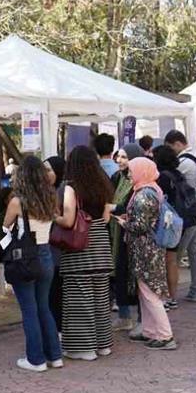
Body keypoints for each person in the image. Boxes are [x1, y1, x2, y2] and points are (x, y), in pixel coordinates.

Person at [2, 155, 63, 371]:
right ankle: (55, 355)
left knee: (29, 309)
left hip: (26, 256)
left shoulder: (18, 201)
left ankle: (35, 359)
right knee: (43, 307)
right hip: (46, 255)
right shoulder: (51, 197)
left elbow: (5, 226)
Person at [56, 146, 116, 360]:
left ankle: (84, 348)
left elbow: (69, 220)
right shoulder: (104, 185)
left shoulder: (71, 187)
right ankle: (103, 345)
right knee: (101, 297)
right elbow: (107, 218)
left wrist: (52, 217)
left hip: (80, 249)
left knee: (79, 298)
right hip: (101, 247)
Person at [116, 157, 177, 350]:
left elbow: (141, 226)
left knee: (150, 293)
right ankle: (151, 331)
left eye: (133, 170)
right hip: (148, 248)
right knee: (146, 292)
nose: (130, 174)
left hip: (145, 250)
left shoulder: (144, 194)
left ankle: (165, 335)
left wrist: (125, 223)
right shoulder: (150, 190)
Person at [165, 131, 196, 303]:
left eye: (170, 147)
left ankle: (172, 295)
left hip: (188, 212)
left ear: (177, 144)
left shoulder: (184, 162)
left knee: (176, 254)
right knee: (195, 251)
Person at [152, 144, 190, 310]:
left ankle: (163, 297)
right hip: (178, 221)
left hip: (164, 222)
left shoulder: (161, 177)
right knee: (172, 261)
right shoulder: (178, 175)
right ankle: (172, 297)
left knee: (161, 260)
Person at [109, 144, 141, 333]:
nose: (120, 160)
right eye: (118, 156)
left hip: (132, 234)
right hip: (116, 232)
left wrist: (113, 208)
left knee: (134, 277)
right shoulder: (117, 177)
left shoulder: (139, 180)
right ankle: (124, 315)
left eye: (125, 157)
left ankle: (141, 319)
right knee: (119, 274)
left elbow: (131, 206)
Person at [45, 155, 68, 330]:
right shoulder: (49, 190)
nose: (45, 174)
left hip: (58, 249)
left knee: (56, 293)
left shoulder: (62, 190)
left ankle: (59, 330)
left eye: (48, 170)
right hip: (50, 249)